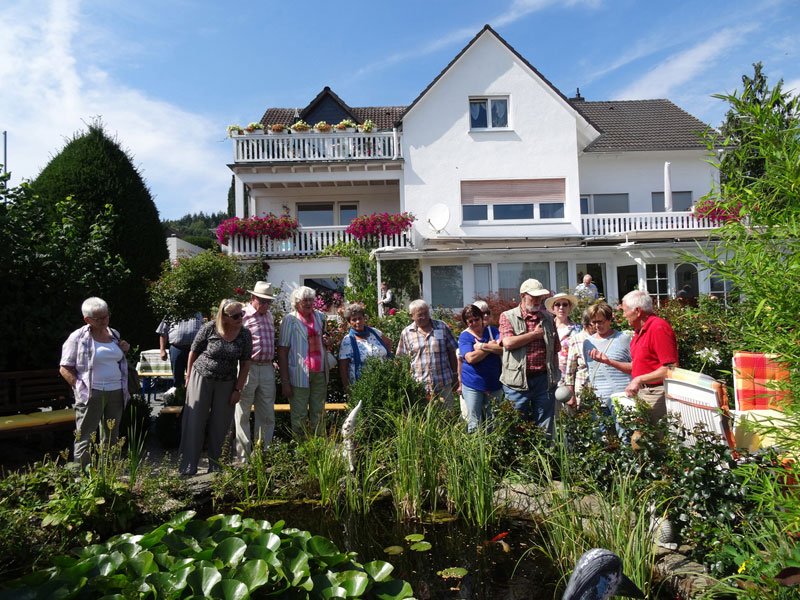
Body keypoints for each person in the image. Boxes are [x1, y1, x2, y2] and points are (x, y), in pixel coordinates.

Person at [179, 299, 251, 476]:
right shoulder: (210, 328)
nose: (240, 318)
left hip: (227, 381)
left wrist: (238, 389)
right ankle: (188, 466)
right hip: (201, 376)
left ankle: (217, 466)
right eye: (235, 316)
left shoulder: (245, 334)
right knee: (195, 421)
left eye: (241, 314)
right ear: (224, 317)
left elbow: (246, 362)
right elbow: (193, 351)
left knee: (222, 424)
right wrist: (188, 377)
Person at [59, 297, 130, 467]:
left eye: (107, 316)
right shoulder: (77, 337)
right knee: (84, 436)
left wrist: (124, 349)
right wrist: (80, 388)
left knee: (112, 435)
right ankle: (81, 477)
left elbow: (115, 360)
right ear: (87, 319)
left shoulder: (114, 334)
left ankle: (109, 475)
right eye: (100, 318)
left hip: (116, 391)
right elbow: (64, 368)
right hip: (92, 392)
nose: (105, 320)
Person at [499, 279, 560, 436]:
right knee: (514, 426)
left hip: (543, 380)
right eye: (534, 297)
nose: (538, 301)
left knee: (545, 426)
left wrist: (555, 377)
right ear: (523, 296)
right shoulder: (508, 316)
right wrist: (534, 335)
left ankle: (542, 458)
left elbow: (555, 350)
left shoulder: (548, 318)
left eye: (540, 297)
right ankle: (517, 461)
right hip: (517, 382)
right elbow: (508, 343)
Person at [278, 286, 333, 437]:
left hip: (319, 372)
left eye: (311, 300)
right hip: (299, 373)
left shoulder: (320, 317)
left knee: (319, 413)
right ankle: (301, 450)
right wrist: (285, 381)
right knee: (299, 414)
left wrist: (328, 342)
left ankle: (319, 447)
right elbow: (282, 351)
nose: (309, 303)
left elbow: (326, 341)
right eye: (305, 300)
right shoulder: (290, 320)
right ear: (296, 302)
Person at [618, 290, 678, 423]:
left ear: (638, 311)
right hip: (644, 393)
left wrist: (638, 380)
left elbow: (671, 369)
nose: (623, 315)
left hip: (656, 393)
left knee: (647, 439)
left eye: (625, 310)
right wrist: (608, 362)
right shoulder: (639, 331)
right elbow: (639, 366)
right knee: (640, 439)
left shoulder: (658, 328)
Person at [234, 281, 277, 460]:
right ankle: (244, 457)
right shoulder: (243, 315)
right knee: (243, 412)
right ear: (253, 298)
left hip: (267, 366)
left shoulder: (269, 316)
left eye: (268, 302)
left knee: (266, 412)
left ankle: (262, 454)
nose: (266, 305)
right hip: (248, 367)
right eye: (262, 300)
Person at [396, 299, 459, 406]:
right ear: (412, 316)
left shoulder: (441, 326)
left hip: (443, 382)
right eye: (420, 315)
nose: (424, 317)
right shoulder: (407, 333)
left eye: (426, 313)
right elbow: (400, 358)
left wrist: (455, 374)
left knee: (448, 416)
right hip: (420, 385)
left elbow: (452, 351)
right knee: (424, 419)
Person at [583, 302, 633, 424]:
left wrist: (609, 362)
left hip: (621, 398)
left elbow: (635, 367)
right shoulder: (587, 343)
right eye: (594, 322)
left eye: (601, 321)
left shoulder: (624, 339)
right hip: (598, 399)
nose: (597, 325)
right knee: (600, 439)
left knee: (625, 437)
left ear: (610, 319)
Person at [458, 304, 502, 432]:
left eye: (476, 319)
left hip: (494, 383)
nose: (474, 323)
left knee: (494, 420)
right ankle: (476, 450)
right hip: (473, 384)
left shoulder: (492, 331)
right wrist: (489, 347)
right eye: (470, 321)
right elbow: (470, 358)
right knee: (474, 422)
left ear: (481, 317)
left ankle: (493, 449)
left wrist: (482, 346)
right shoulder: (465, 336)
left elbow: (502, 349)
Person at [338, 303, 393, 394]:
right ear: (349, 322)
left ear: (364, 318)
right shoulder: (348, 340)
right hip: (362, 386)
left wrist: (387, 359)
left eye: (360, 318)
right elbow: (343, 368)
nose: (358, 322)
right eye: (354, 320)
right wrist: (348, 389)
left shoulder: (375, 332)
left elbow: (388, 342)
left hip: (383, 381)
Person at [156, 312, 204, 388]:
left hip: (196, 350)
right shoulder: (172, 313)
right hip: (177, 349)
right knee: (177, 378)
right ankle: (179, 397)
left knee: (195, 378)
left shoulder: (200, 314)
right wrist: (162, 350)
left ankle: (193, 398)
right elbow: (163, 332)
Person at [544, 292, 580, 384]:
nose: (561, 307)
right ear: (553, 308)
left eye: (565, 304)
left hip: (570, 375)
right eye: (557, 304)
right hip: (549, 375)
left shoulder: (577, 329)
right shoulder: (546, 328)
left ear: (569, 307)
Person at [562, 310, 594, 412]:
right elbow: (570, 371)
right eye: (594, 323)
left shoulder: (604, 337)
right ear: (586, 324)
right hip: (583, 386)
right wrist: (571, 395)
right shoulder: (576, 339)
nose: (597, 326)